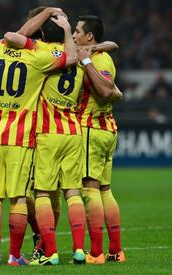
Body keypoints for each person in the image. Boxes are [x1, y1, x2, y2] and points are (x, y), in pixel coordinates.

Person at [0, 14, 77, 267]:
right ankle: (14, 255)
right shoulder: (38, 58)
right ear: (34, 40)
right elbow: (70, 58)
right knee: (19, 198)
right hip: (20, 139)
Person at [16, 7, 119, 265]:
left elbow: (16, 36)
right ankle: (79, 250)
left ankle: (48, 251)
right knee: (73, 192)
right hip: (73, 130)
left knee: (41, 193)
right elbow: (109, 49)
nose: (73, 34)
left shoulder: (40, 53)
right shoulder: (81, 57)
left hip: (48, 133)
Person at [74, 15, 125, 264]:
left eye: (77, 31)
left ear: (89, 36)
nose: (74, 36)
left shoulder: (94, 60)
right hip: (107, 130)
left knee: (89, 188)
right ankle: (116, 250)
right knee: (105, 190)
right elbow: (112, 44)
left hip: (91, 129)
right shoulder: (104, 55)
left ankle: (96, 253)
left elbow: (105, 91)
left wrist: (86, 59)